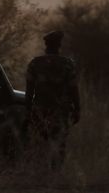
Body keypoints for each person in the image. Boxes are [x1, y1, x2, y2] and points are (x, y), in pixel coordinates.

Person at [25, 30, 81, 170]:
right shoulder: (68, 64)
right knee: (59, 142)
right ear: (59, 45)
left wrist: (27, 110)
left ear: (46, 45)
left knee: (40, 142)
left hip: (40, 109)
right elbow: (74, 89)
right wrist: (77, 108)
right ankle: (56, 172)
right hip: (61, 110)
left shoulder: (35, 63)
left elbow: (29, 90)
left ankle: (40, 172)